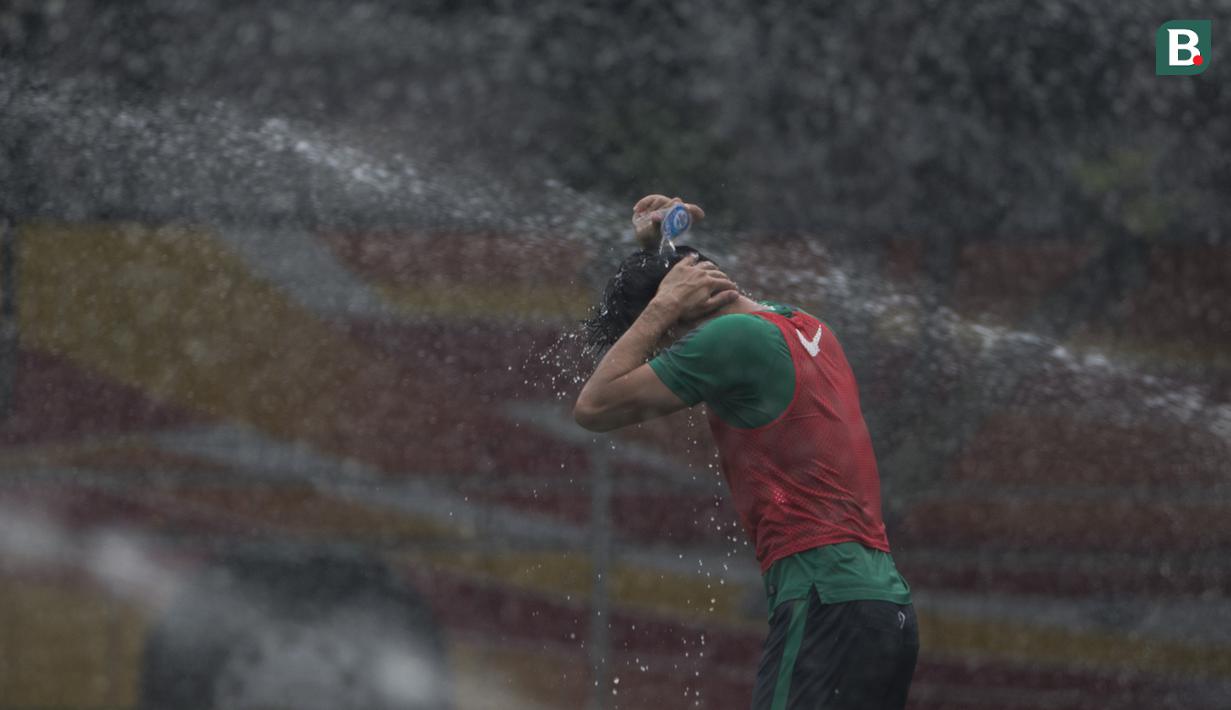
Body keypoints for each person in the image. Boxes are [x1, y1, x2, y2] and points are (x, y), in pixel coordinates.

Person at [574, 195, 918, 710]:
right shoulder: (807, 327)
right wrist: (660, 257)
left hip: (823, 598)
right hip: (884, 607)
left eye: (657, 344)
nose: (662, 356)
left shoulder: (731, 340)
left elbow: (594, 405)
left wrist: (662, 303)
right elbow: (715, 297)